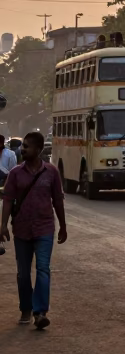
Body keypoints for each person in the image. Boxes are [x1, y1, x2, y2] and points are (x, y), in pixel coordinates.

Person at [0, 132, 67, 330]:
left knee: (43, 269)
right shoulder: (15, 174)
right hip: (21, 229)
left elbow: (58, 201)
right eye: (23, 146)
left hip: (45, 227)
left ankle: (40, 312)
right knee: (23, 273)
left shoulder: (52, 172)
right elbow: (7, 200)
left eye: (27, 147)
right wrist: (3, 225)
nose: (23, 149)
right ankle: (26, 309)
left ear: (38, 150)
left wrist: (63, 226)